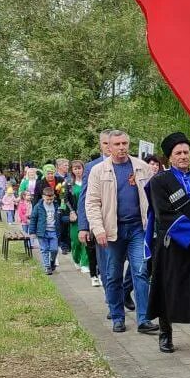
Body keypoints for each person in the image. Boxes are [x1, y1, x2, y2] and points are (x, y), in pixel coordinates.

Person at [149, 132, 190, 361]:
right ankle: (165, 334)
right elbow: (163, 215)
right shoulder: (159, 181)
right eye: (178, 153)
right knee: (169, 290)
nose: (183, 156)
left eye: (186, 152)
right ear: (169, 158)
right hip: (172, 245)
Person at [84, 130, 155, 334]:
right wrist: (97, 229)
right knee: (113, 275)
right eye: (117, 144)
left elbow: (152, 198)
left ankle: (144, 319)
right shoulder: (99, 170)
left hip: (137, 229)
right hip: (111, 230)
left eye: (125, 143)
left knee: (140, 272)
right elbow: (92, 203)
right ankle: (117, 316)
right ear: (109, 147)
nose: (121, 147)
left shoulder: (142, 167)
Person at [78, 131, 115, 289]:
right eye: (105, 143)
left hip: (125, 223)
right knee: (107, 266)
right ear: (100, 145)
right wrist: (84, 227)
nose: (108, 147)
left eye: (110, 143)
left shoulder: (129, 164)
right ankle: (111, 300)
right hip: (102, 224)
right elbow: (85, 198)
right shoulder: (92, 167)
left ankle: (124, 292)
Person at [65, 161, 88, 274]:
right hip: (75, 215)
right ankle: (76, 258)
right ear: (72, 170)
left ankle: (85, 263)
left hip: (87, 214)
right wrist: (71, 211)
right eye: (75, 168)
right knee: (75, 240)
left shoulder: (88, 181)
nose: (78, 170)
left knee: (86, 239)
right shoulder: (69, 184)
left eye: (79, 168)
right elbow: (66, 199)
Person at [53, 158, 72, 256]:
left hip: (69, 204)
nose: (67, 167)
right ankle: (63, 246)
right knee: (61, 226)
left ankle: (69, 244)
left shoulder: (70, 176)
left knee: (68, 224)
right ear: (59, 166)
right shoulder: (55, 177)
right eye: (65, 165)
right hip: (59, 205)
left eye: (68, 165)